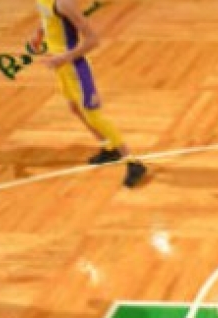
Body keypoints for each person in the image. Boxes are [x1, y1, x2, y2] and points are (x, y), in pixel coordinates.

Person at [28, 0, 146, 188]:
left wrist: (65, 57)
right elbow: (48, 17)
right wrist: (39, 33)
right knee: (75, 108)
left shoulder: (64, 3)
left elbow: (93, 40)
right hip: (62, 67)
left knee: (94, 116)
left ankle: (132, 161)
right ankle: (109, 148)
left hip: (74, 67)